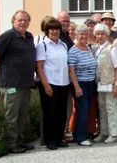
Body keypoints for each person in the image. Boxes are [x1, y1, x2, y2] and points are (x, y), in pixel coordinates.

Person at [0, 10, 36, 153]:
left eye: (25, 20)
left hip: (25, 83)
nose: (22, 22)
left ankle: (19, 141)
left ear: (29, 22)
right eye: (19, 20)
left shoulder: (29, 37)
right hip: (11, 84)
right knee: (11, 114)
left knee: (22, 114)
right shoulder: (7, 36)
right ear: (13, 21)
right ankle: (11, 144)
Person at [35, 18, 70, 150]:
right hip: (50, 82)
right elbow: (39, 67)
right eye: (51, 29)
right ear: (47, 30)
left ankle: (59, 138)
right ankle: (50, 140)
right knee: (49, 113)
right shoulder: (42, 45)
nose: (54, 31)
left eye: (56, 29)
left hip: (63, 82)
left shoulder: (63, 45)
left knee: (61, 112)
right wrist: (46, 85)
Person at [68, 24, 97, 146]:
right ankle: (81, 137)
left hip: (90, 83)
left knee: (87, 109)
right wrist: (76, 86)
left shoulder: (88, 47)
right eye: (81, 34)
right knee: (82, 110)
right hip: (80, 84)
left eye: (86, 34)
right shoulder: (73, 50)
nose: (84, 36)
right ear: (76, 35)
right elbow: (71, 70)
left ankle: (80, 133)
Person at [91, 24, 117, 144]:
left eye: (102, 34)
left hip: (109, 81)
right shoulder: (94, 49)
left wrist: (116, 85)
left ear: (107, 34)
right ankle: (104, 132)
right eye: (97, 34)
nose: (99, 36)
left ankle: (113, 133)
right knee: (102, 108)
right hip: (98, 82)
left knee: (111, 108)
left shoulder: (111, 49)